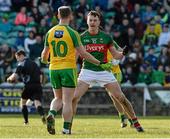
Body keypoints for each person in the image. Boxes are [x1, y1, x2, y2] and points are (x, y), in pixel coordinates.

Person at [41, 6, 111, 135]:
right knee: (67, 101)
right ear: (71, 16)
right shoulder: (73, 33)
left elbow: (44, 55)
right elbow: (84, 54)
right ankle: (66, 129)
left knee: (57, 98)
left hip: (54, 68)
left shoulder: (50, 32)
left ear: (58, 15)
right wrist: (100, 63)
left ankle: (51, 113)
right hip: (68, 68)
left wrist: (45, 61)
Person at [72, 11, 144, 133]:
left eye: (95, 20)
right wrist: (72, 70)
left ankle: (136, 123)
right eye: (90, 20)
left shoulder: (106, 37)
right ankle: (68, 127)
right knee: (73, 98)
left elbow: (116, 55)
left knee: (120, 98)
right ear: (87, 21)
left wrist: (123, 53)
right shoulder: (81, 37)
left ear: (99, 22)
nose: (93, 22)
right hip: (87, 71)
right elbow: (75, 58)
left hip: (104, 71)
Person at [7, 50, 46, 125]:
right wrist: (40, 83)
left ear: (21, 55)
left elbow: (15, 75)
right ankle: (42, 115)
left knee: (23, 103)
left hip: (28, 86)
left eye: (17, 58)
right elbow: (41, 74)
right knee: (37, 102)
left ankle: (26, 122)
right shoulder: (34, 63)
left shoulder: (21, 64)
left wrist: (9, 79)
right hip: (38, 85)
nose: (17, 60)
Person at [107, 41, 133, 128]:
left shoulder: (109, 40)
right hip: (104, 73)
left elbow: (121, 51)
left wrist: (116, 59)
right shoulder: (93, 42)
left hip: (115, 72)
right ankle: (123, 117)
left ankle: (130, 118)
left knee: (117, 96)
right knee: (113, 98)